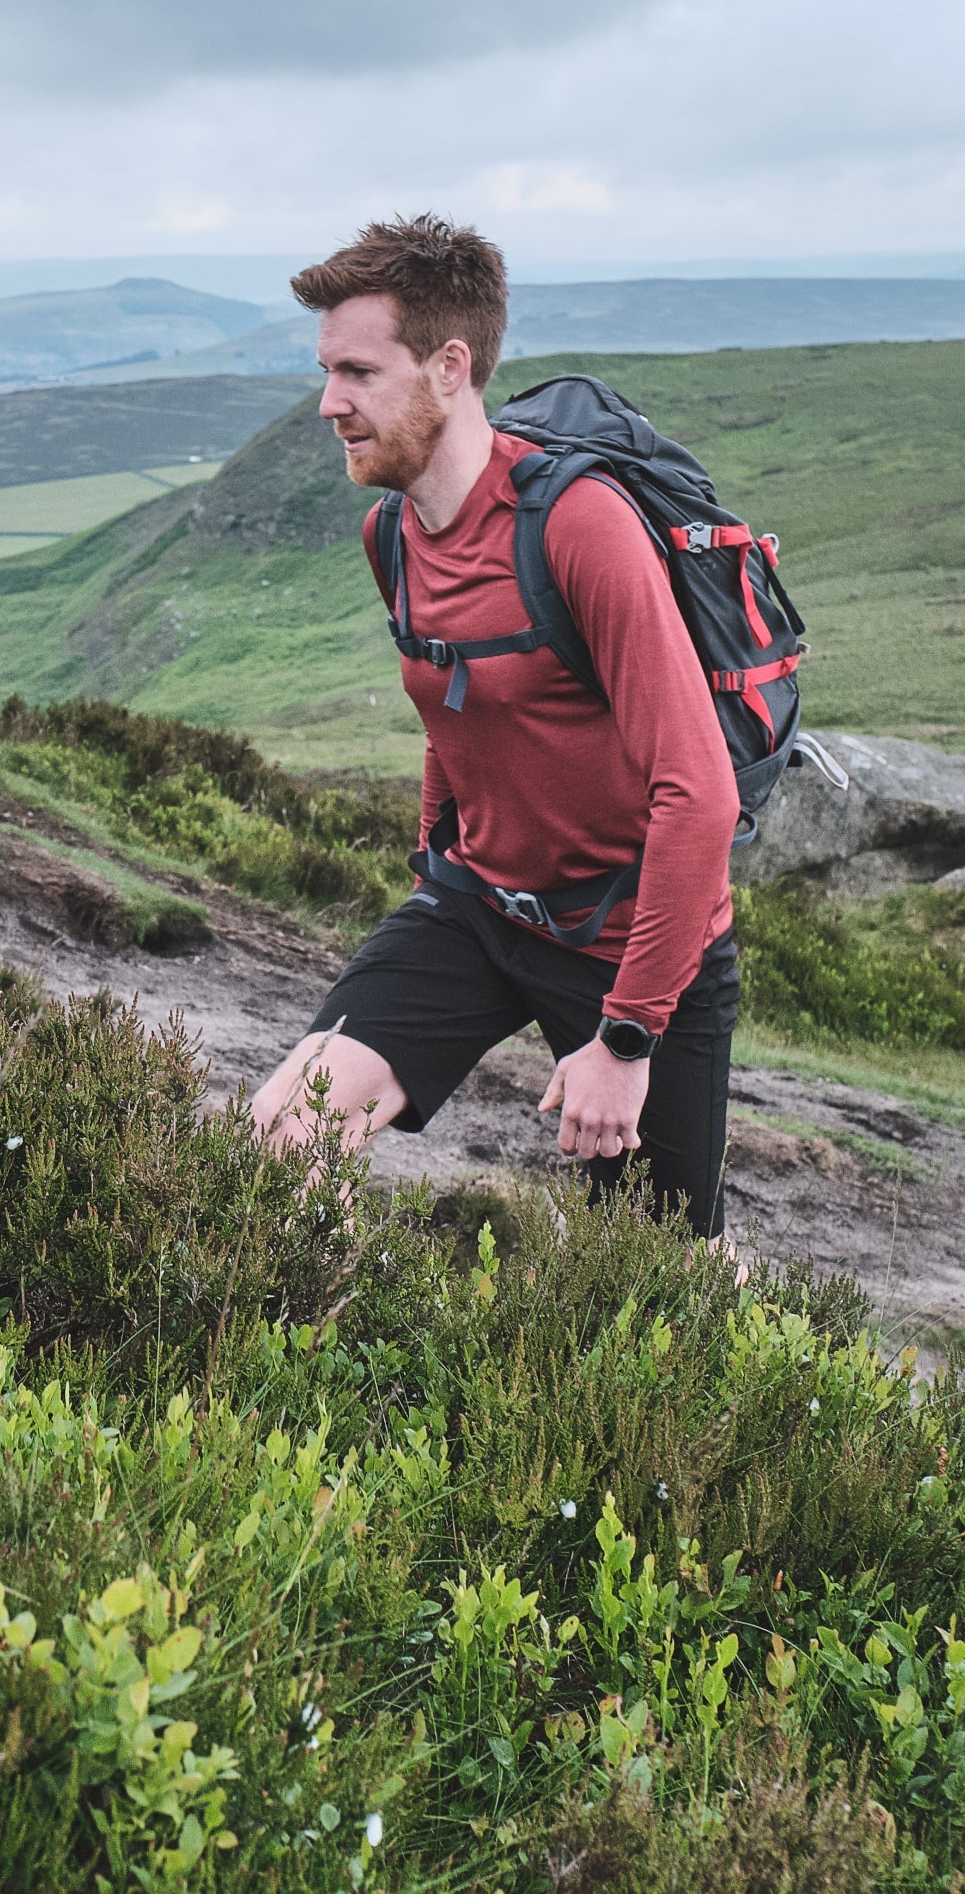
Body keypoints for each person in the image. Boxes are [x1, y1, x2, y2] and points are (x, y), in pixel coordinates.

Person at [248, 216, 743, 1234]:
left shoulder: (577, 526)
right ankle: (299, 1372)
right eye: (324, 370)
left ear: (448, 366)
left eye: (357, 371)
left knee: (658, 1275)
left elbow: (699, 793)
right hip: (478, 910)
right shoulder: (389, 530)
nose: (329, 403)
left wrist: (627, 1036)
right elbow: (459, 705)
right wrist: (437, 861)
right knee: (283, 1129)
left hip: (632, 939)